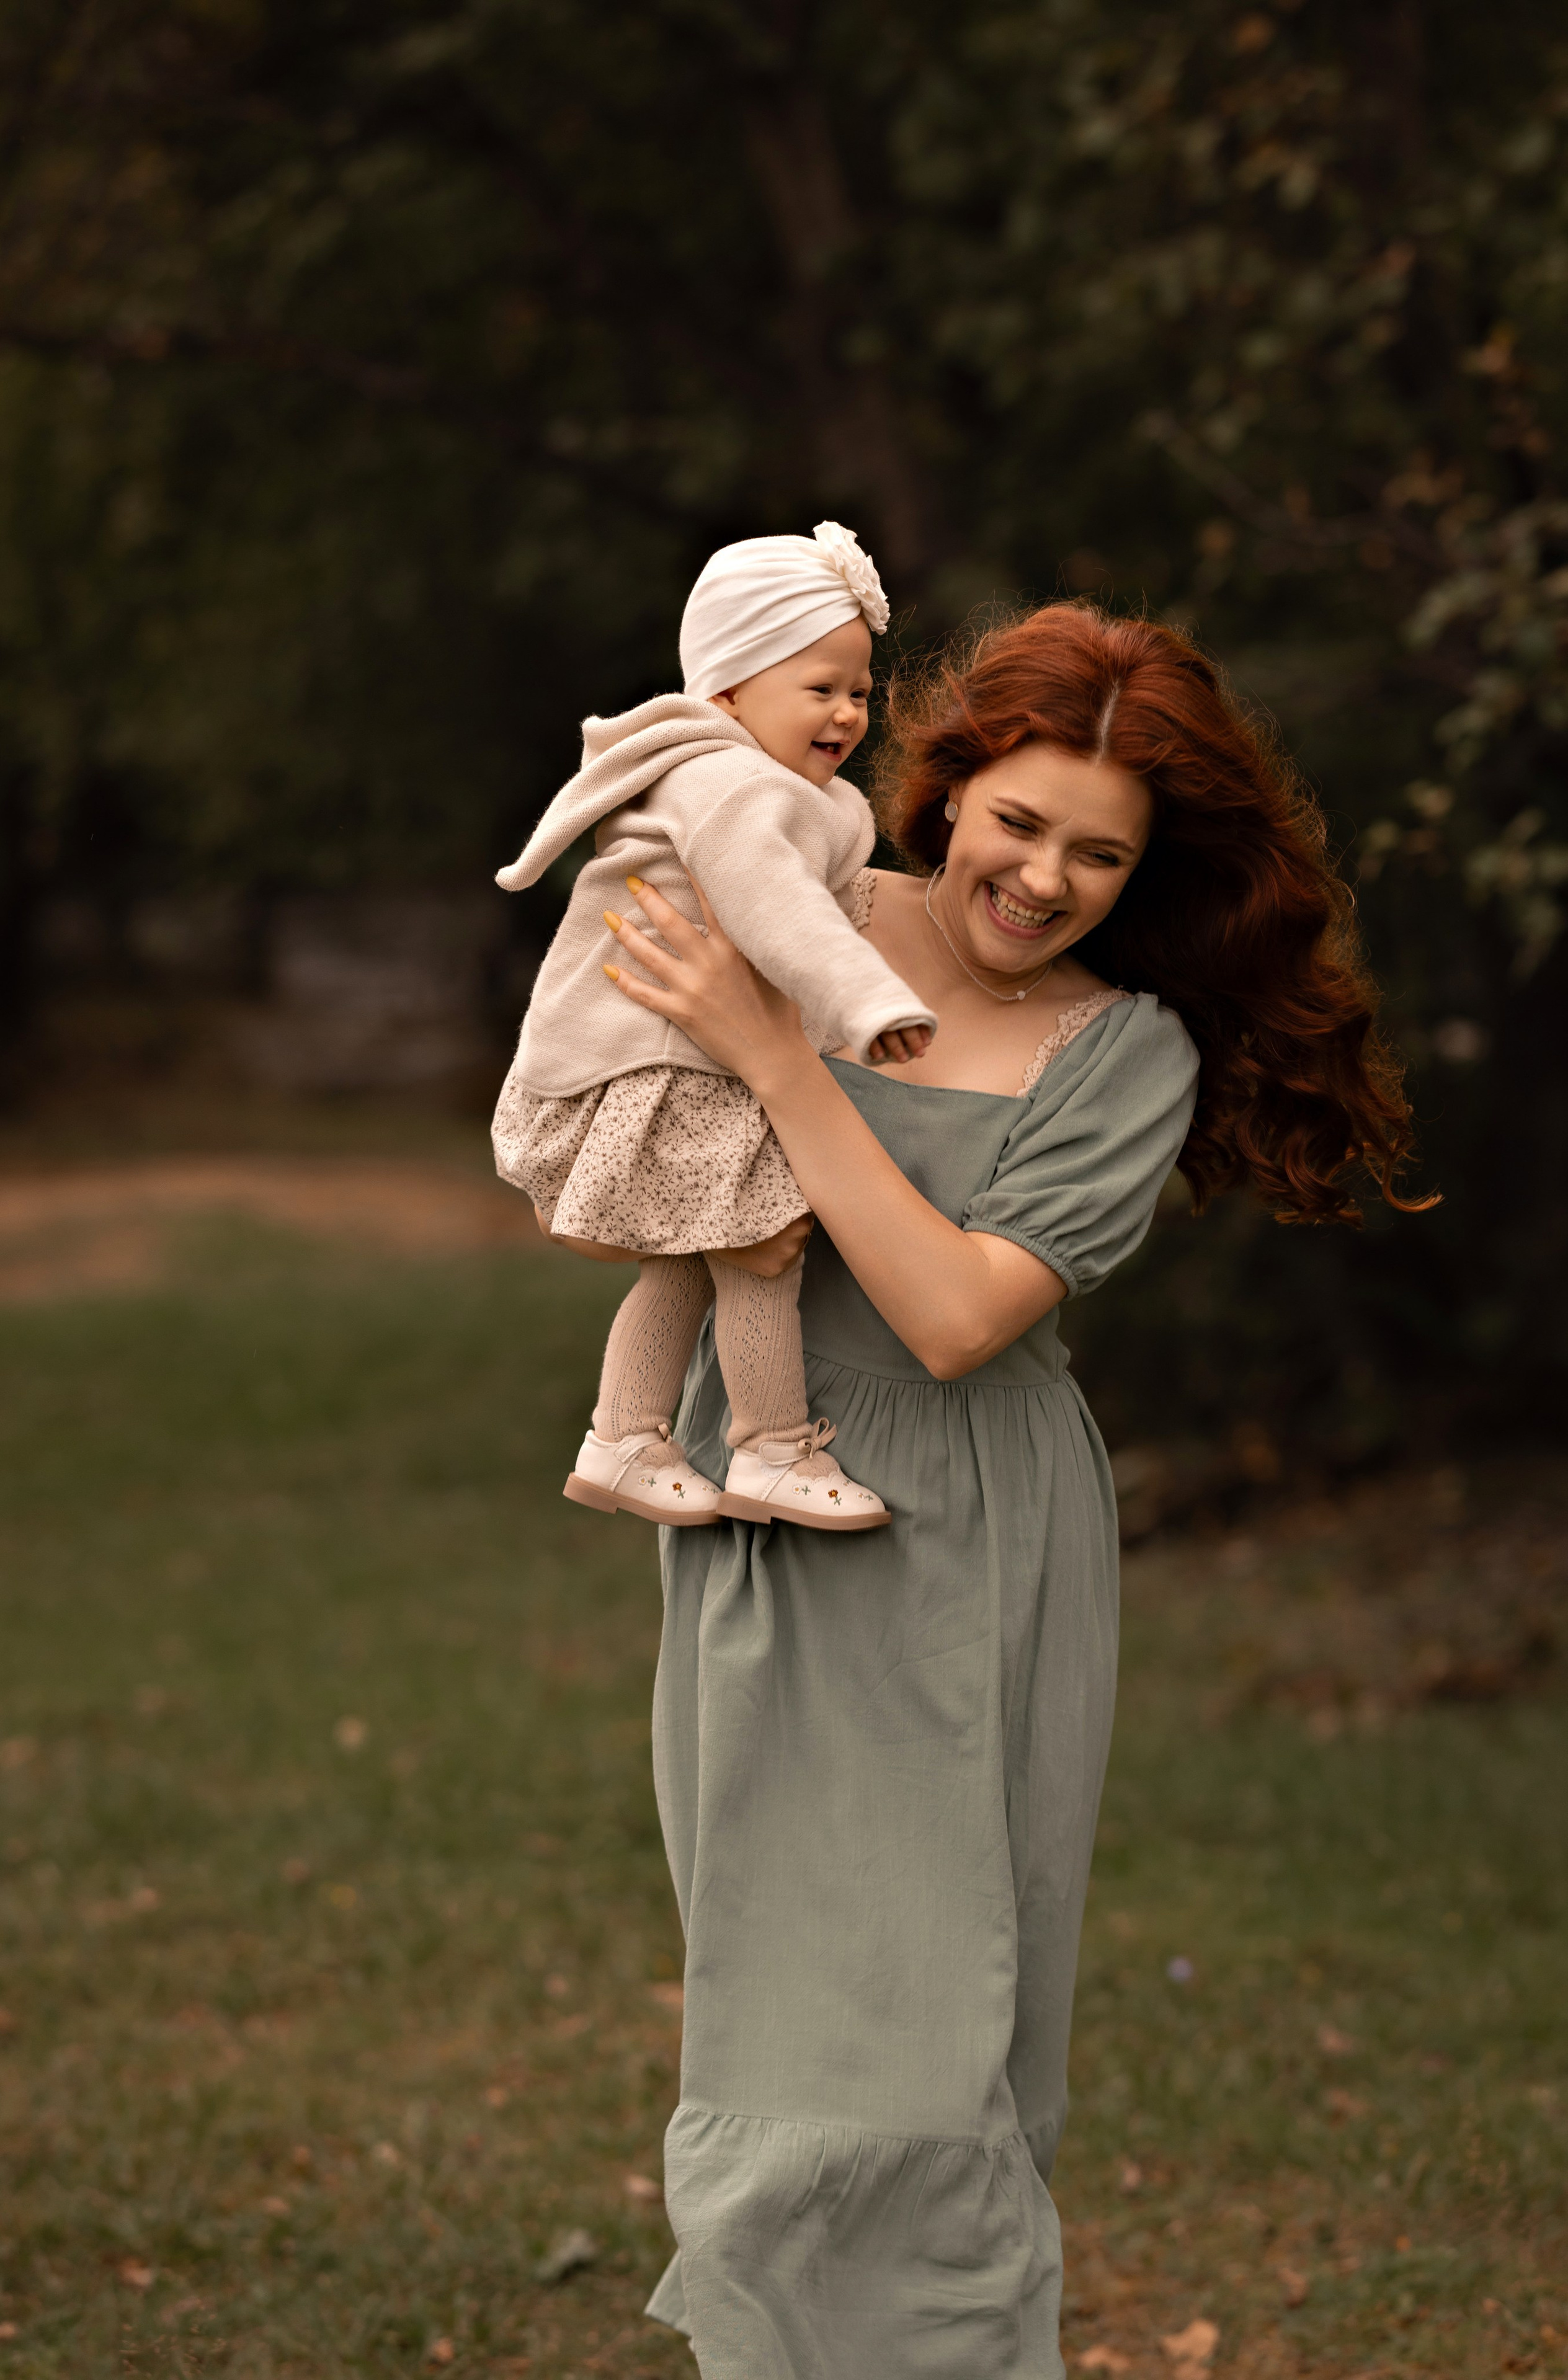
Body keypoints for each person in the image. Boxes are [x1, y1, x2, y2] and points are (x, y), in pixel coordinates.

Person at [595, 600, 1427, 2378]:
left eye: (1098, 855)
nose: (1044, 879)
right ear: (951, 783)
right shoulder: (802, 901)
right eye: (1021, 822)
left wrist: (775, 1055)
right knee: (778, 1997)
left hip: (969, 1528)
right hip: (765, 1492)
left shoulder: (1126, 1052)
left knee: (936, 2015)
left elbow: (957, 1313)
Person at [492, 523, 935, 1534]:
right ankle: (772, 1449)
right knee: (758, 1254)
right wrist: (867, 1001)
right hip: (674, 1072)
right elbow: (780, 911)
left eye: (860, 691)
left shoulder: (750, 779)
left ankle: (623, 1435)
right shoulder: (734, 787)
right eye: (819, 687)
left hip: (677, 1065)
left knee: (693, 1260)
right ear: (730, 691)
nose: (847, 712)